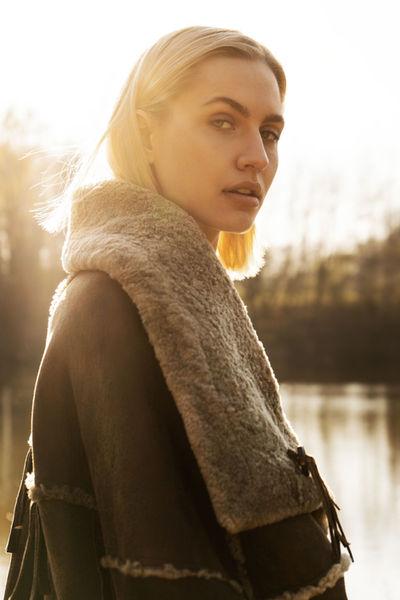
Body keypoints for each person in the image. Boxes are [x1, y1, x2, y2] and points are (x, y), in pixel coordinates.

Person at [4, 26, 352, 599]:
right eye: (223, 122)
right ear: (146, 134)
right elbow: (149, 568)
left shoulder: (189, 299)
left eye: (270, 133)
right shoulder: (109, 305)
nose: (257, 156)